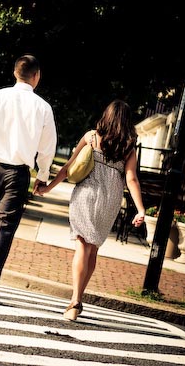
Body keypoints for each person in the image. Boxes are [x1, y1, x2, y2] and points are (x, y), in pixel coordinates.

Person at [36, 99, 145, 320]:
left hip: (86, 194)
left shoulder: (91, 137)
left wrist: (48, 188)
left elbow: (69, 168)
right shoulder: (128, 147)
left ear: (106, 116)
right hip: (110, 200)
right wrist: (140, 210)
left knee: (81, 246)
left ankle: (75, 300)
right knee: (92, 249)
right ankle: (78, 298)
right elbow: (132, 179)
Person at [0, 54, 58, 304]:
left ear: (15, 73)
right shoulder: (43, 108)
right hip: (17, 174)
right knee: (3, 227)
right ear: (36, 76)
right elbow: (47, 148)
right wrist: (42, 176)